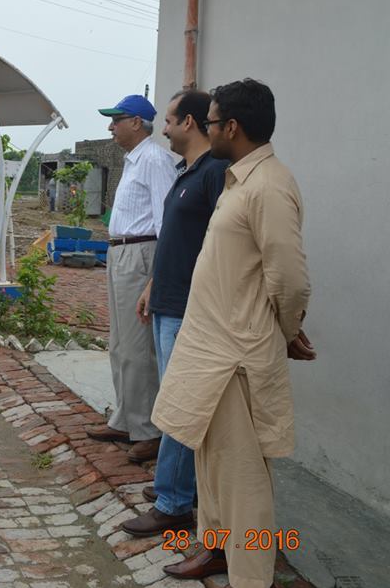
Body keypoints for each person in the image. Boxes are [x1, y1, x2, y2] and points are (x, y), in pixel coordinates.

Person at [153, 79, 314, 588]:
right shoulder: (240, 180)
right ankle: (215, 550)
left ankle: (251, 576)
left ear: (233, 128)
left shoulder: (269, 185)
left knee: (241, 479)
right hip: (212, 349)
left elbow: (289, 278)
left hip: (235, 358)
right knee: (212, 467)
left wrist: (285, 332)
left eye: (214, 120)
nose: (208, 126)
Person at [119, 89, 229, 537]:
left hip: (191, 307)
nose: (162, 128)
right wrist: (152, 285)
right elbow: (174, 242)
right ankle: (179, 488)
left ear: (189, 123)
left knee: (181, 404)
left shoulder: (215, 173)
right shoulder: (188, 172)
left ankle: (174, 501)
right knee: (173, 401)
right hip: (168, 299)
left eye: (168, 120)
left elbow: (221, 246)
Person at [85, 95, 178, 462]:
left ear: (137, 122)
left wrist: (156, 276)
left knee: (139, 346)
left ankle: (148, 429)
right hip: (121, 252)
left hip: (140, 253)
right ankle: (125, 418)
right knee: (121, 342)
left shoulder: (154, 161)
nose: (111, 126)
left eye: (117, 119)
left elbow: (165, 221)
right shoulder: (135, 161)